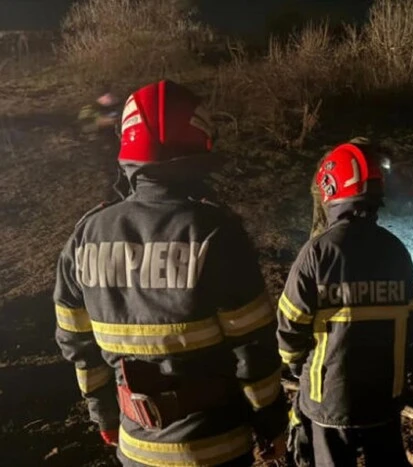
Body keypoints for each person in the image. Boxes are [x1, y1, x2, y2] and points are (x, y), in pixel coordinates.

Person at [54, 80, 287, 466]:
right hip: (217, 449)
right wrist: (270, 422)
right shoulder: (215, 232)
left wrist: (104, 416)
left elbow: (77, 343)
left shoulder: (85, 235)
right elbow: (252, 347)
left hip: (136, 449)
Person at [277, 141, 413, 466]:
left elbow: (289, 327)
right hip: (384, 399)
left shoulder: (316, 254)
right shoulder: (396, 250)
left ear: (330, 191)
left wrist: (298, 368)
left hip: (329, 402)